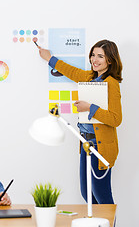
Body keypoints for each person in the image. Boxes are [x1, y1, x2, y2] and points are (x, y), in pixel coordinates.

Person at [38, 39, 122, 204]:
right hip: (86, 143)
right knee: (87, 195)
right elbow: (73, 72)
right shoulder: (90, 77)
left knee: (102, 197)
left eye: (100, 57)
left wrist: (90, 107)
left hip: (100, 147)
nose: (94, 60)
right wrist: (50, 58)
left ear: (110, 60)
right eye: (93, 55)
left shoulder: (111, 83)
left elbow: (116, 119)